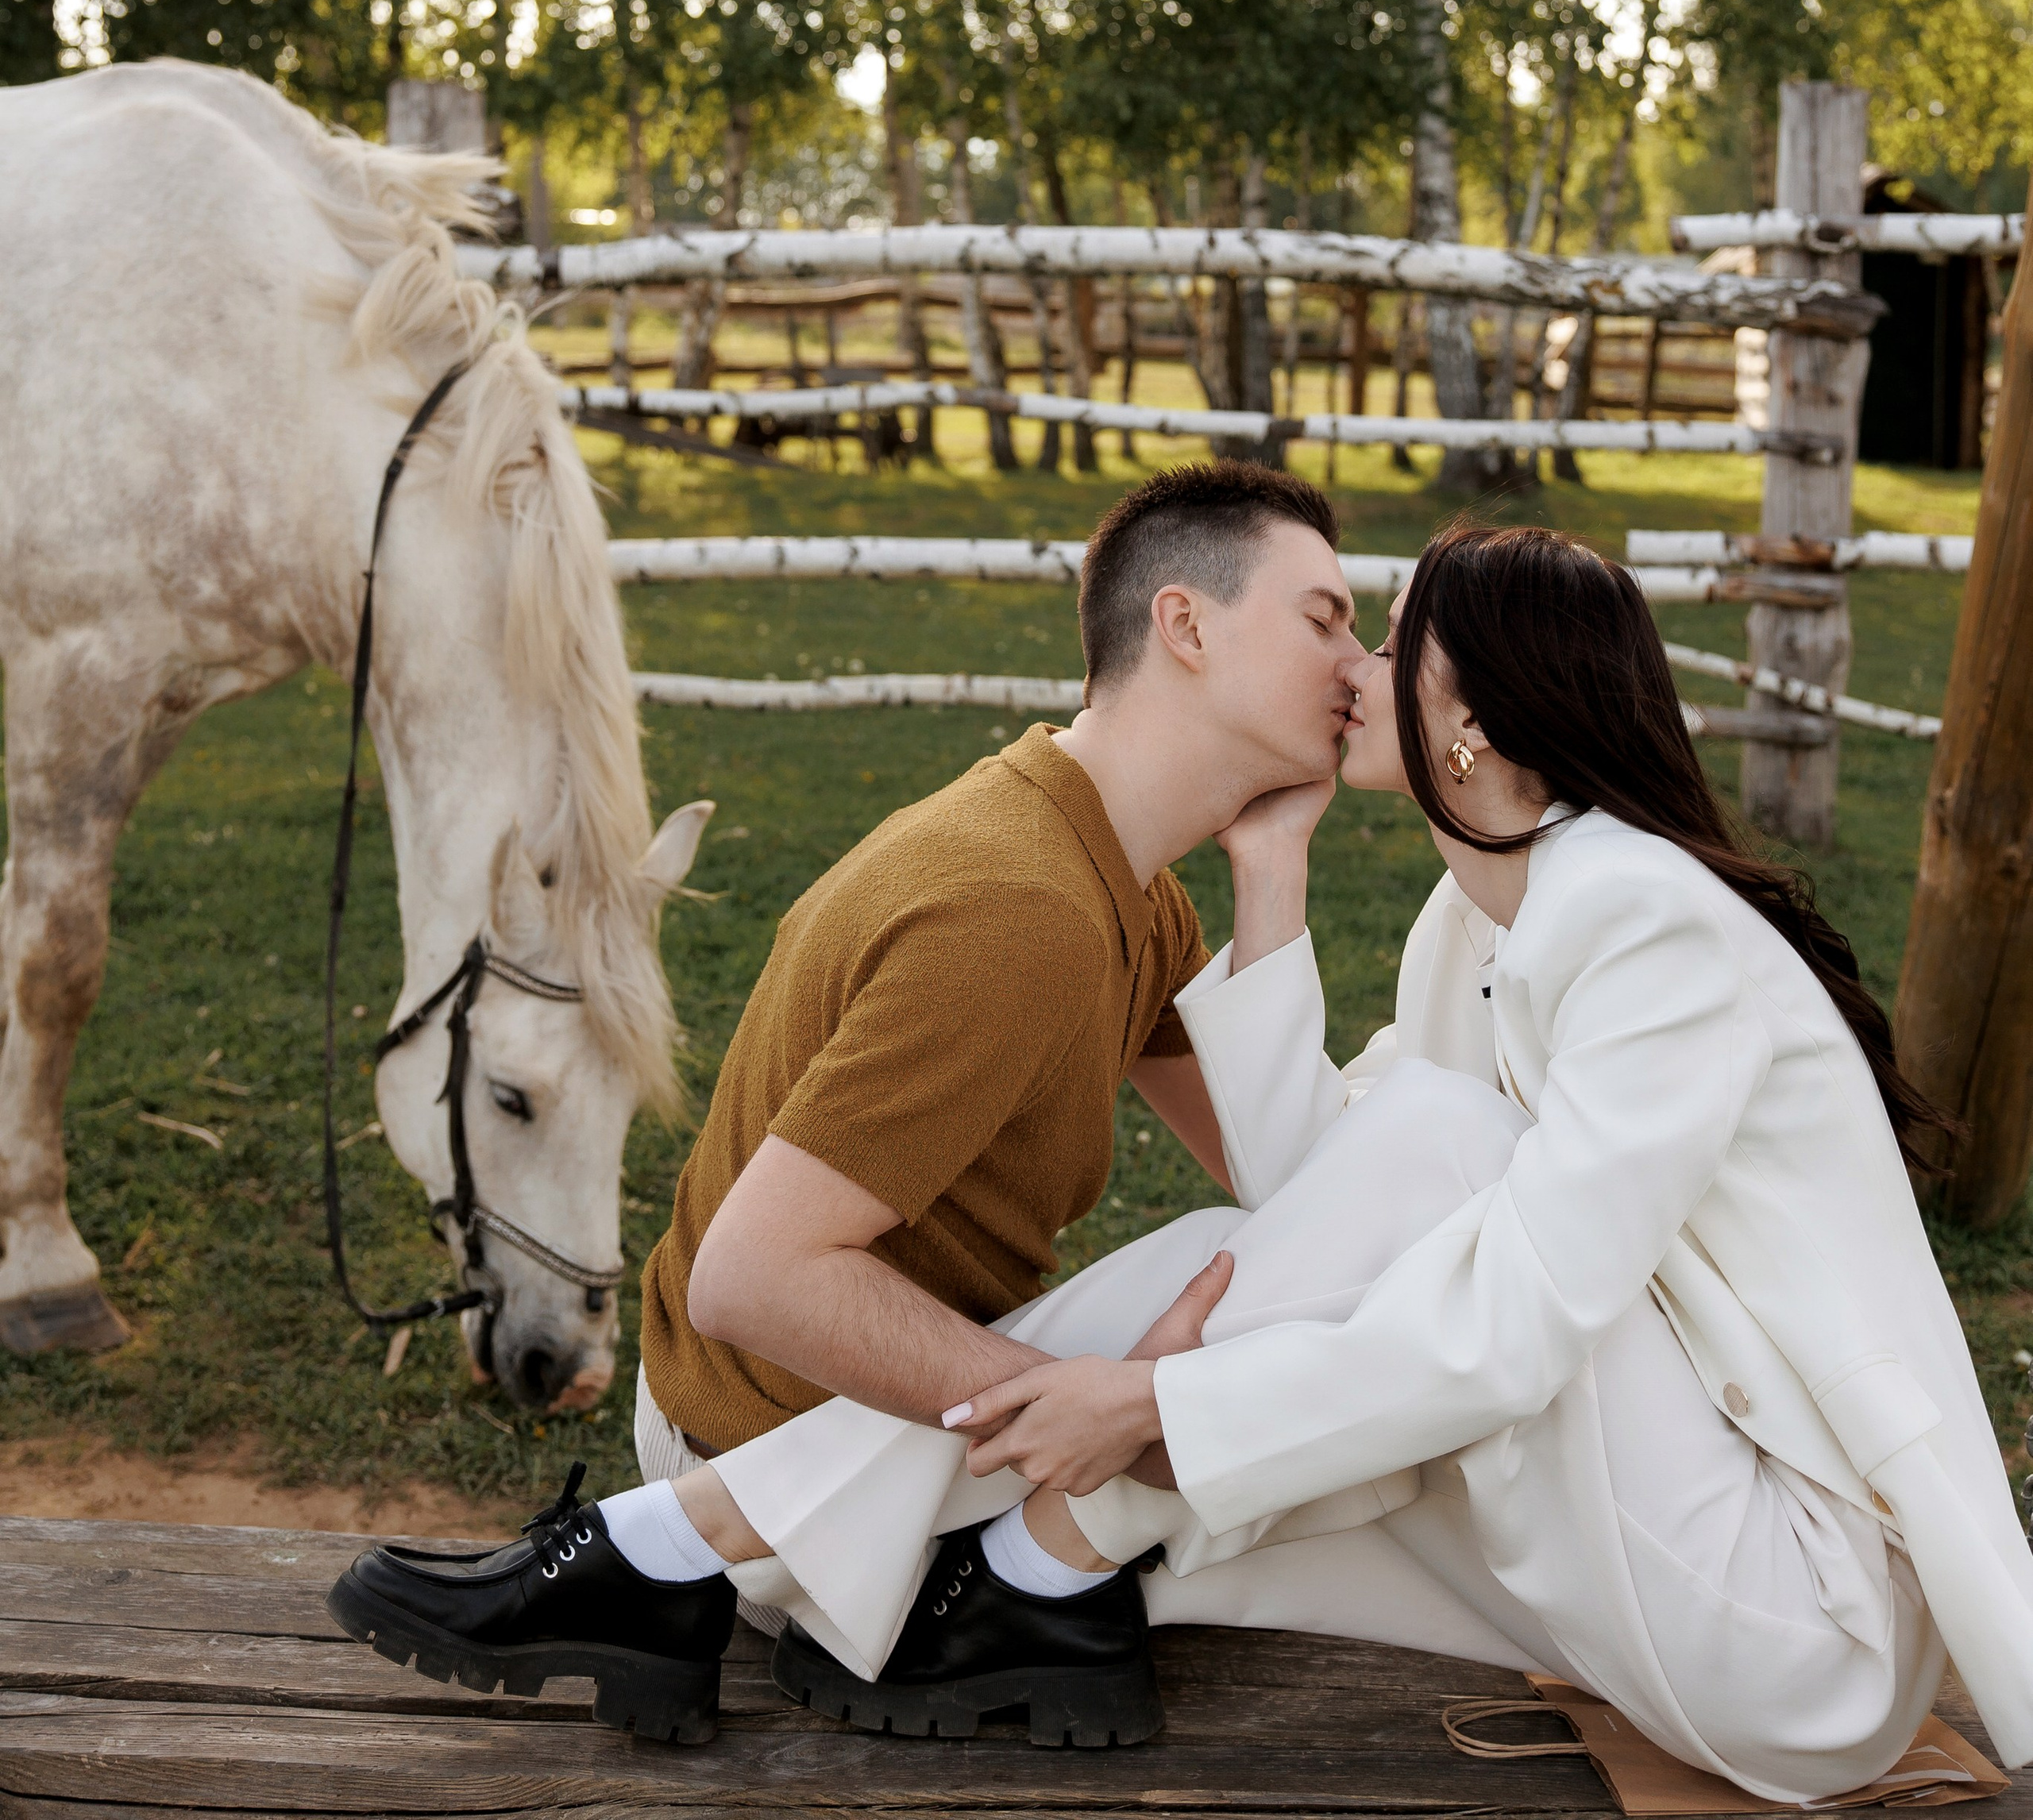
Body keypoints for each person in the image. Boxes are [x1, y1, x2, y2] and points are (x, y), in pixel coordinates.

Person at [558, 521, 2033, 1801]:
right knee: (1394, 1183)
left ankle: (708, 1538)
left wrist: (1154, 1402)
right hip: (1639, 1527)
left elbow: (1504, 1327)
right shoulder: (1475, 927)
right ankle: (1005, 1570)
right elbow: (1327, 1203)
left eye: (1391, 643)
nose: (1357, 673)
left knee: (1441, 1154)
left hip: (1795, 1631)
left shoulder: (1643, 924)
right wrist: (1272, 878)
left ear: (1472, 721)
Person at [328, 457, 1364, 1745]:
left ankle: (928, 1566)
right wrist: (1082, 1418)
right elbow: (752, 1281)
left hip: (824, 1430)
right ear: (1186, 626)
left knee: (1276, 1280)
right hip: (764, 1460)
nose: (1360, 667)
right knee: (1245, 1295)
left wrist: (1273, 869)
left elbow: (1294, 1181)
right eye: (1325, 618)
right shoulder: (1017, 907)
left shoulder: (1120, 882)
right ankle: (799, 1565)